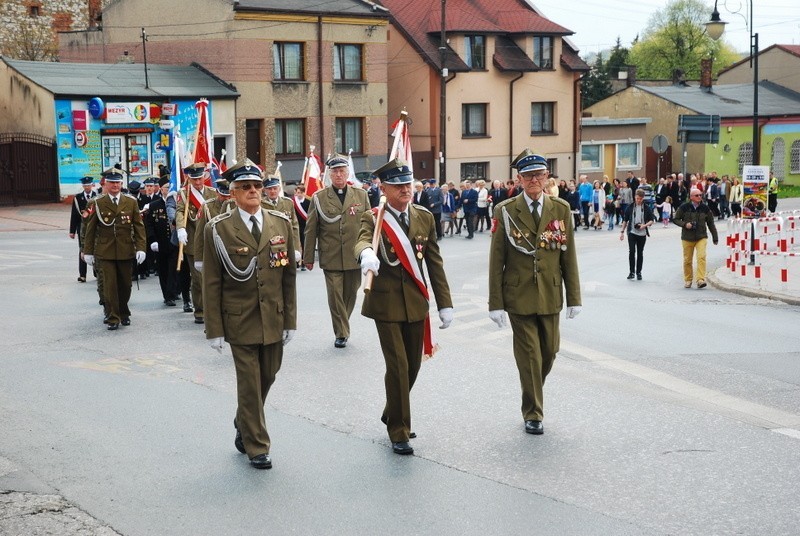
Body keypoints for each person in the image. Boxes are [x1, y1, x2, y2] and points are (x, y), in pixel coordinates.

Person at [202, 160, 297, 470]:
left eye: (257, 186)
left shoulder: (280, 222)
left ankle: (243, 420)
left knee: (268, 375)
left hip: (273, 316)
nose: (254, 191)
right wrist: (213, 328)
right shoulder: (218, 229)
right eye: (246, 187)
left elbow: (289, 278)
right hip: (239, 318)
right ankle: (257, 445)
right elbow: (212, 281)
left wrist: (291, 321)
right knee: (249, 382)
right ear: (233, 193)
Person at [355, 158, 453, 455]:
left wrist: (444, 304)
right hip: (384, 302)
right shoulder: (373, 217)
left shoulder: (423, 216)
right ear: (383, 188)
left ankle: (391, 409)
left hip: (415, 302)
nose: (405, 190)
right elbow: (360, 241)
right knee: (397, 366)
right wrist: (366, 254)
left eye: (408, 185)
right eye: (398, 186)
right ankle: (398, 429)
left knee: (412, 366)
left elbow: (434, 262)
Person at [488, 149, 581, 435]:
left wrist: (574, 297)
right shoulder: (505, 211)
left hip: (550, 294)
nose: (534, 180)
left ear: (546, 177)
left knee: (549, 352)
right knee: (530, 355)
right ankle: (533, 413)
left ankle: (531, 390)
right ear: (519, 179)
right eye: (528, 176)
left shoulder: (561, 209)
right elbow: (497, 259)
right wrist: (495, 303)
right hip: (518, 296)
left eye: (539, 175)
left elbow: (569, 255)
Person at [303, 153, 370, 348]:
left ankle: (343, 325)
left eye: (342, 171)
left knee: (351, 293)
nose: (339, 175)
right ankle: (341, 333)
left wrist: (371, 252)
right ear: (329, 175)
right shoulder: (319, 198)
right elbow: (311, 229)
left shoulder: (361, 195)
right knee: (335, 296)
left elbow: (369, 226)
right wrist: (308, 257)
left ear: (347, 173)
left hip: (354, 254)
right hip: (331, 255)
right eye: (335, 172)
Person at [82, 168, 146, 330]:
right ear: (106, 184)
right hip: (105, 251)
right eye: (112, 183)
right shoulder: (97, 202)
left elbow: (138, 227)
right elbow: (90, 229)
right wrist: (87, 251)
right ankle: (113, 317)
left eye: (118, 182)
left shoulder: (130, 201)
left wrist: (141, 248)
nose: (115, 185)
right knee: (109, 286)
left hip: (125, 249)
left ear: (122, 184)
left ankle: (123, 312)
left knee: (125, 285)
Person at [176, 162, 217, 324]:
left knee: (213, 277)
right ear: (189, 179)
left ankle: (213, 309)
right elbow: (180, 212)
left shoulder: (212, 193)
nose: (198, 183)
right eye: (194, 180)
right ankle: (200, 310)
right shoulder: (184, 194)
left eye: (200, 178)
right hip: (194, 241)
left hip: (213, 240)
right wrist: (180, 228)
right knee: (198, 278)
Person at [673, 188, 719, 289]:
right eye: (697, 195)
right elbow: (675, 219)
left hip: (701, 237)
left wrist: (715, 237)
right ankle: (688, 280)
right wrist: (685, 224)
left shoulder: (705, 208)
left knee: (701, 257)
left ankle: (700, 280)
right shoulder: (684, 207)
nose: (699, 197)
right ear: (691, 197)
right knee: (687, 260)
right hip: (687, 237)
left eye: (700, 195)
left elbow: (711, 223)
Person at [146, 176, 179, 306]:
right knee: (163, 270)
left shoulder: (178, 203)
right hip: (160, 243)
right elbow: (149, 225)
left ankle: (172, 294)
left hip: (174, 243)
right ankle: (166, 294)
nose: (169, 189)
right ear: (161, 189)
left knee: (173, 269)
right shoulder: (154, 205)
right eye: (167, 187)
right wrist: (152, 240)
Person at [619, 189, 656, 280]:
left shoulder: (646, 207)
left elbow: (652, 220)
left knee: (640, 253)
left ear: (643, 198)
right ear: (635, 197)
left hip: (642, 234)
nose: (638, 200)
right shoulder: (630, 207)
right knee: (631, 252)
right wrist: (622, 232)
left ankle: (638, 272)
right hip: (632, 232)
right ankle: (631, 272)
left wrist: (644, 225)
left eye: (640, 199)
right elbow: (625, 220)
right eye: (637, 198)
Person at [69, 175, 97, 283]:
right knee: (82, 249)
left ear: (92, 185)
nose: (87, 187)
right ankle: (82, 275)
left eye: (89, 185)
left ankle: (96, 272)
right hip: (82, 228)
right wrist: (72, 231)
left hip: (94, 226)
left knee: (96, 249)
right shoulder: (77, 198)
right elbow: (74, 215)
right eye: (85, 186)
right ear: (83, 186)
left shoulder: (97, 196)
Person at [292, 184, 310, 269]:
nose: (298, 194)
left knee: (303, 244)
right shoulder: (293, 202)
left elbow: (310, 215)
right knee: (295, 244)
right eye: (297, 192)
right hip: (295, 226)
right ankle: (295, 261)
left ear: (303, 193)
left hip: (304, 226)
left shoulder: (308, 202)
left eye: (299, 193)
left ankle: (303, 261)